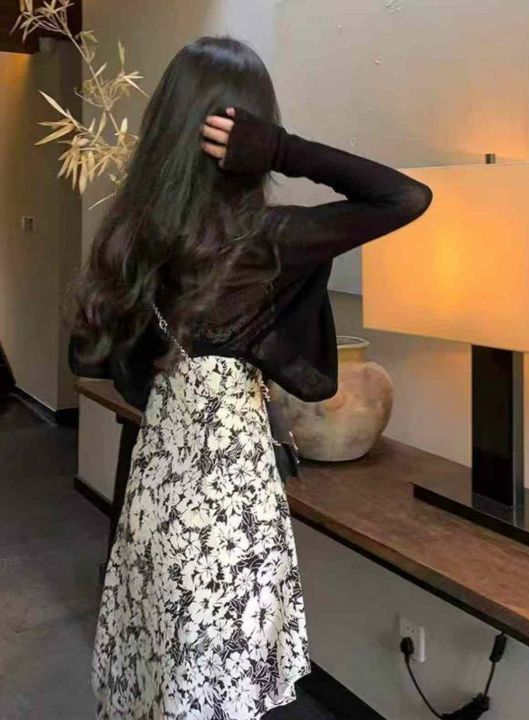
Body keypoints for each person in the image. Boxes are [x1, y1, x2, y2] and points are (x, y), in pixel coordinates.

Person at [67, 35, 432, 720]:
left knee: (161, 683)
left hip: (153, 507)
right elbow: (405, 196)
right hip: (228, 521)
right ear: (248, 135)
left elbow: (90, 359)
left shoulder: (131, 236)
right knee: (215, 692)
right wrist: (285, 150)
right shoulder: (263, 241)